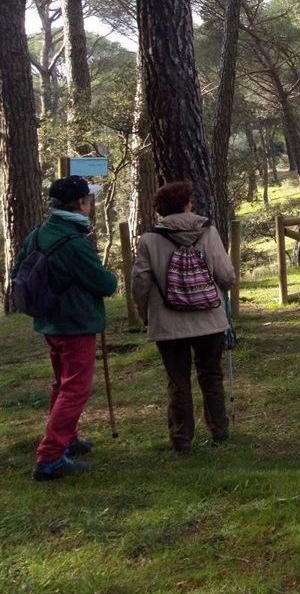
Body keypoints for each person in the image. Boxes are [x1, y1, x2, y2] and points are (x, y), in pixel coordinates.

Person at [13, 176, 118, 480]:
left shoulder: (38, 234)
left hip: (51, 322)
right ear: (81, 204)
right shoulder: (73, 242)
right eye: (88, 201)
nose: (90, 206)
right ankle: (51, 456)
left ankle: (66, 439)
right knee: (75, 389)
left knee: (62, 385)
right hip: (76, 324)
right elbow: (105, 283)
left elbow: (20, 270)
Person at [132, 181, 237, 453]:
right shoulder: (208, 232)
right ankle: (220, 430)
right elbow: (226, 276)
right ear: (187, 203)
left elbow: (140, 284)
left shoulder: (149, 240)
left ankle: (181, 438)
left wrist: (146, 313)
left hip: (168, 323)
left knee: (177, 380)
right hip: (209, 318)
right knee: (211, 374)